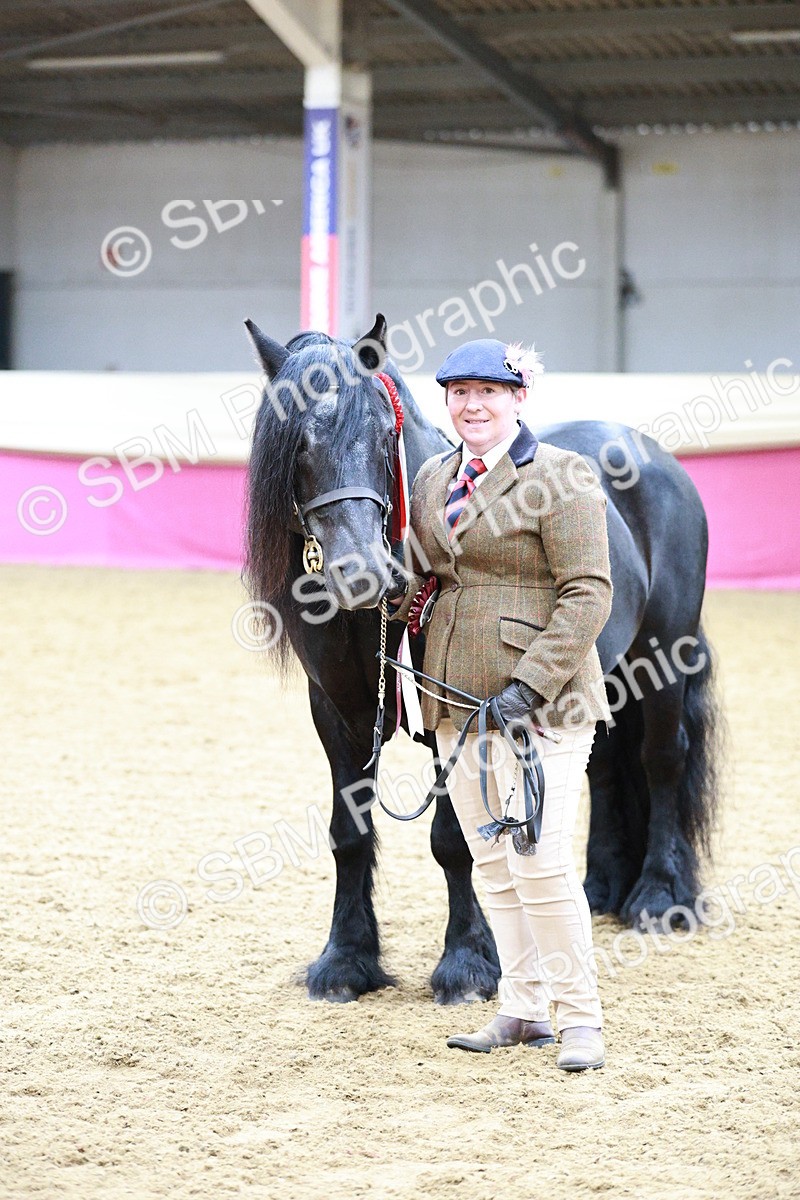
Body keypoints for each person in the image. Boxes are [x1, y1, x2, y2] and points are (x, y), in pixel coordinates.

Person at [387, 337, 613, 1072]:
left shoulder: (561, 475)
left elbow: (588, 592)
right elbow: (424, 574)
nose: (472, 405)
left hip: (539, 706)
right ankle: (522, 1009)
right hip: (453, 702)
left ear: (519, 398)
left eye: (488, 391)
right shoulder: (431, 477)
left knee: (541, 862)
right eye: (459, 393)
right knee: (491, 862)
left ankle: (581, 1020)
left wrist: (530, 686)